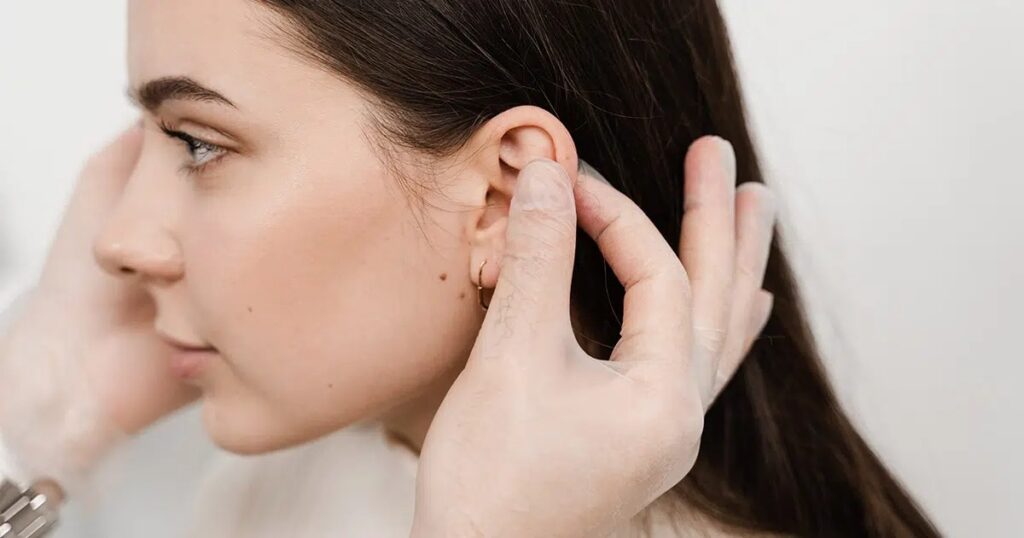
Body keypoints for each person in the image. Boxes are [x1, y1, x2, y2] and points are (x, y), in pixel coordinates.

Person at [0, 0, 940, 536]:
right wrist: (50, 417)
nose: (118, 240)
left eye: (198, 142)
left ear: (508, 195)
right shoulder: (291, 484)